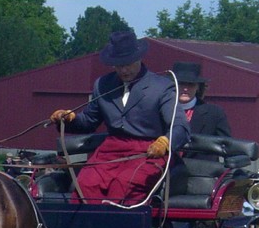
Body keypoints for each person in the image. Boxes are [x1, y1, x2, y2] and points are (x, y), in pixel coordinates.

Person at [49, 30, 190, 206]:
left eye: (128, 64)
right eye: (118, 65)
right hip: (110, 150)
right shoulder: (103, 84)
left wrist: (165, 143)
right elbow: (89, 121)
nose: (124, 70)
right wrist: (69, 119)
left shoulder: (162, 87)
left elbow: (181, 126)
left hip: (149, 151)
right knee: (86, 184)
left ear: (139, 58)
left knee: (123, 185)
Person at [171, 61, 231, 161]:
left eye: (190, 84)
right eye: (181, 83)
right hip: (165, 171)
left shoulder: (214, 114)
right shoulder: (159, 110)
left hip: (201, 172)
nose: (185, 89)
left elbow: (228, 145)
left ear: (198, 87)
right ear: (173, 85)